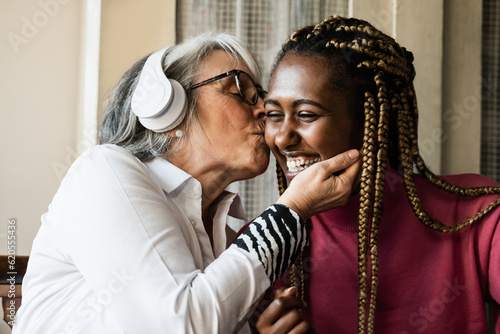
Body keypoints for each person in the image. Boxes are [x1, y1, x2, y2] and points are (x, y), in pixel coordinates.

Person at [13, 32, 362, 334]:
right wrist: (293, 209)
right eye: (241, 90)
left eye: (262, 96)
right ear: (166, 107)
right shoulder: (103, 171)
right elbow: (177, 326)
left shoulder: (230, 232)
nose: (264, 112)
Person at [258, 16, 500, 334]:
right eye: (274, 115)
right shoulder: (264, 246)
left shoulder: (474, 213)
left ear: (373, 123)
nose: (282, 137)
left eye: (306, 115)